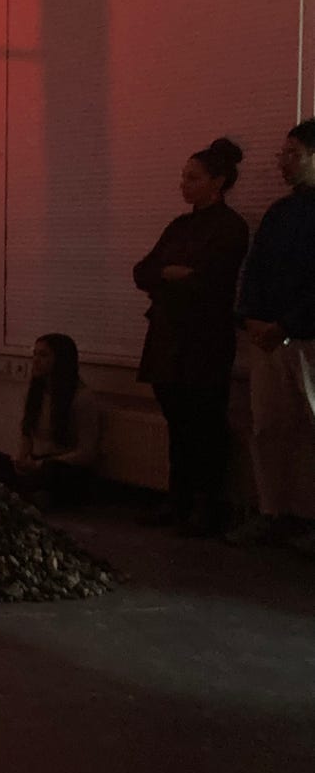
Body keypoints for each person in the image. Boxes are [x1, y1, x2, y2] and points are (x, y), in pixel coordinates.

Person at [132, 137, 250, 535]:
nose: (184, 184)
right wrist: (170, 274)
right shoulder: (179, 226)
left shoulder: (231, 227)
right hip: (169, 337)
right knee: (177, 422)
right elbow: (143, 271)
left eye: (193, 178)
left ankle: (205, 505)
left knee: (205, 422)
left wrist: (169, 276)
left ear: (218, 182)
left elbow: (210, 282)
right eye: (183, 177)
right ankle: (177, 499)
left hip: (205, 339)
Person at [231, 117, 315, 547]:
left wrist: (287, 325)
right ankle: (272, 511)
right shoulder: (279, 212)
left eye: (292, 154)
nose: (283, 162)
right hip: (267, 339)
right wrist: (250, 319)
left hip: (306, 339)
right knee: (267, 427)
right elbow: (255, 270)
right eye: (283, 153)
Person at [0, 333, 102, 508]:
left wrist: (41, 464)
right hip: (35, 464)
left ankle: (12, 490)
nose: (36, 360)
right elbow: (27, 435)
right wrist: (21, 461)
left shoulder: (81, 397)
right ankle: (25, 492)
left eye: (43, 355)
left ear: (61, 360)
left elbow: (86, 452)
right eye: (35, 354)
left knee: (55, 473)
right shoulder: (36, 393)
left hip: (60, 465)